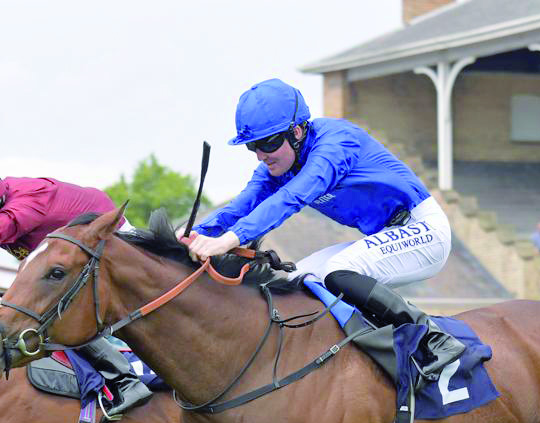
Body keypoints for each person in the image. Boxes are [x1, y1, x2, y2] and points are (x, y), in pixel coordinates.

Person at [186, 79, 464, 381]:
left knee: (337, 270)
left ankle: (433, 337)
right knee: (295, 282)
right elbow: (241, 206)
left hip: (424, 230)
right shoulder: (278, 165)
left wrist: (226, 241)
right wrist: (194, 233)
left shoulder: (335, 144)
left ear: (296, 132)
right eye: (253, 146)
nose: (261, 155)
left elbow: (291, 199)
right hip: (387, 236)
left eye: (267, 143)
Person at [0, 164, 151, 416]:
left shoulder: (29, 203)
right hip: (68, 263)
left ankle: (123, 380)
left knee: (48, 311)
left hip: (112, 242)